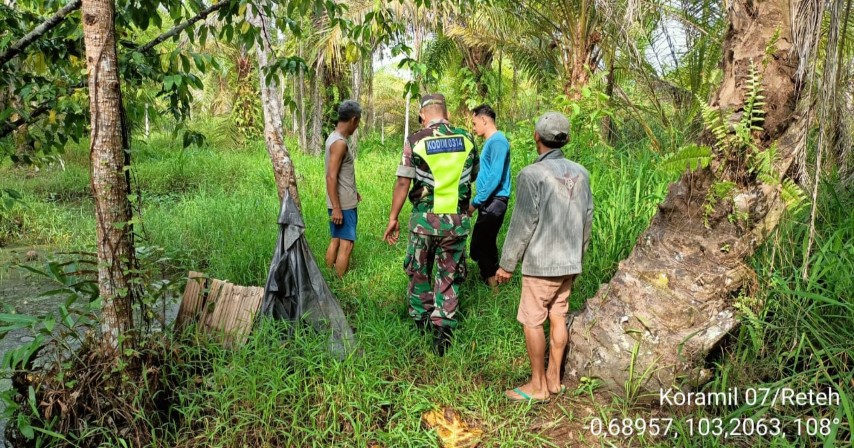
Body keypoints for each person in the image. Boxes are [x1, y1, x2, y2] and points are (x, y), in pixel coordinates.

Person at [495, 112, 593, 401]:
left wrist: (507, 264)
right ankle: (553, 379)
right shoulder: (582, 173)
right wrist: (579, 257)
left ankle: (537, 386)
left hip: (541, 264)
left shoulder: (532, 174)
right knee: (558, 315)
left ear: (536, 137)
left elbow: (523, 222)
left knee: (532, 320)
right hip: (569, 261)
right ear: (567, 139)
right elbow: (588, 218)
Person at [383, 93, 479, 356]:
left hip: (424, 222)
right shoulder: (467, 139)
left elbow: (403, 182)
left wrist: (393, 218)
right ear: (445, 114)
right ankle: (443, 333)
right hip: (456, 223)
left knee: (419, 271)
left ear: (424, 115)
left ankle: (420, 322)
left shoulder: (415, 140)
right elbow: (473, 177)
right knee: (449, 273)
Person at [468, 104, 512, 287]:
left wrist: (476, 202)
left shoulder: (498, 141)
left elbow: (495, 176)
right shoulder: (492, 142)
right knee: (486, 243)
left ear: (484, 120)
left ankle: (493, 287)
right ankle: (491, 283)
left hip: (494, 201)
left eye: (474, 122)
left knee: (479, 245)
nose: (473, 126)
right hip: (490, 201)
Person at [325, 100, 362, 278]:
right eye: (358, 122)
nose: (357, 126)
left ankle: (329, 279)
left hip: (341, 199)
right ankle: (339, 284)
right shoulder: (339, 143)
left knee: (336, 240)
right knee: (346, 244)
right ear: (353, 119)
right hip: (343, 204)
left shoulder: (333, 138)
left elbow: (338, 174)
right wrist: (338, 207)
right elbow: (331, 176)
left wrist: (353, 191)